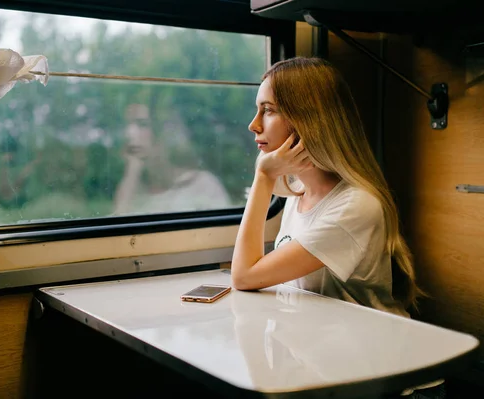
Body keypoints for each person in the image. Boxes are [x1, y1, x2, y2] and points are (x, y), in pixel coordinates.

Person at [231, 57, 443, 399]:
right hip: (336, 368)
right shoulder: (298, 193)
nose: (253, 125)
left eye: (268, 110)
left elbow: (244, 276)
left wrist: (264, 175)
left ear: (308, 120)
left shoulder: (355, 206)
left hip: (392, 384)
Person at [113, 103, 231, 215]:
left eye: (143, 124)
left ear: (164, 132)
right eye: (127, 125)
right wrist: (131, 174)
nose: (129, 133)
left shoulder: (203, 186)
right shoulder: (132, 187)